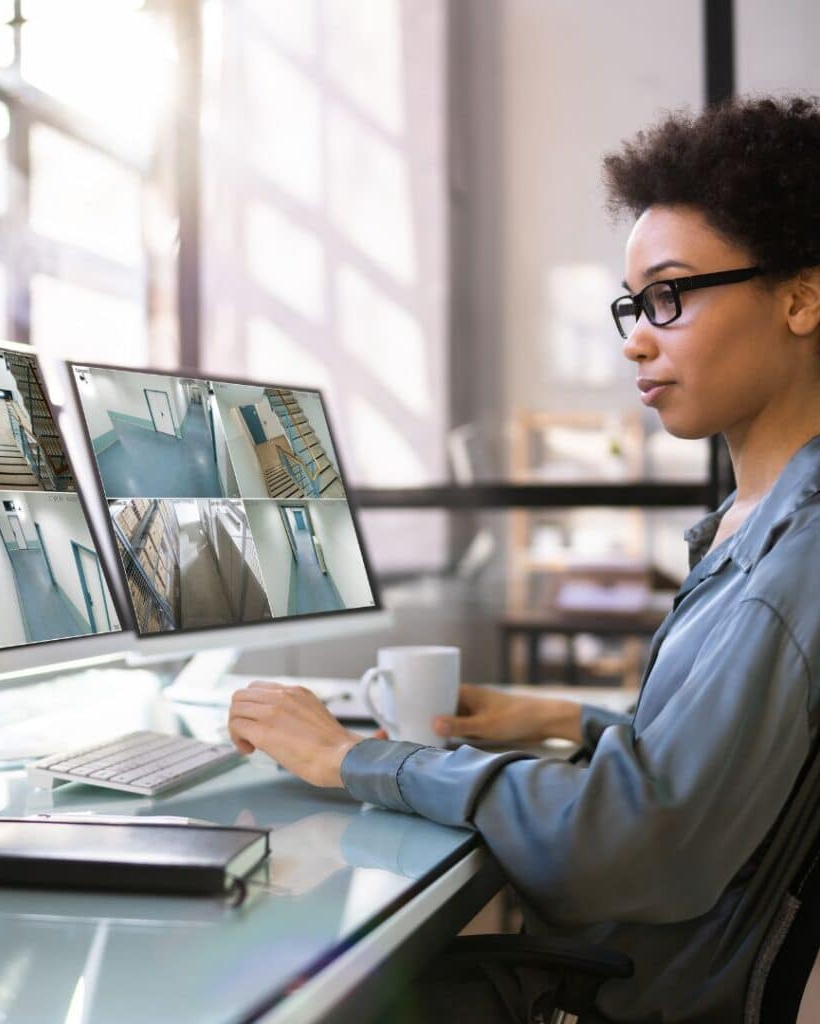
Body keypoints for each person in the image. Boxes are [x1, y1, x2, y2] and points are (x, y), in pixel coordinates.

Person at [228, 95, 820, 1023]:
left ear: (800, 296)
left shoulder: (793, 563)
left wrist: (357, 757)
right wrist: (557, 717)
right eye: (634, 304)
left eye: (670, 296)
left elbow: (636, 841)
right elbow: (704, 774)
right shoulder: (757, 523)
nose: (636, 336)